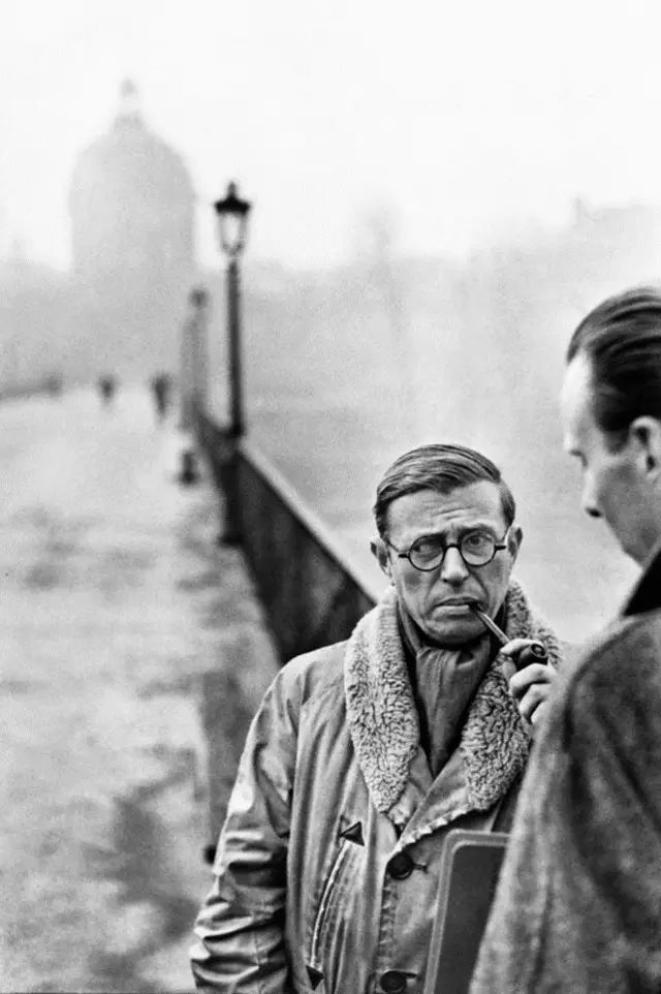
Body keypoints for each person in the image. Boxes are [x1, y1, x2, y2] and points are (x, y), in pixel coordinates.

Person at [190, 443, 563, 993]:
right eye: (424, 549)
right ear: (384, 560)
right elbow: (240, 913)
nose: (455, 571)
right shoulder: (306, 693)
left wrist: (579, 755)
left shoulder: (584, 702)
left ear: (514, 547)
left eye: (477, 542)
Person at [471, 286, 661, 994]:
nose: (587, 501)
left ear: (647, 448)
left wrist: (589, 723)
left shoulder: (619, 682)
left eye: (585, 460)